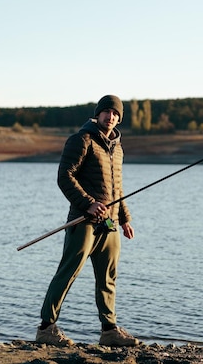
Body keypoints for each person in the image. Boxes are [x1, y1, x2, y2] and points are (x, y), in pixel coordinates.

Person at [35, 95, 138, 347]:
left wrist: (125, 218)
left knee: (108, 278)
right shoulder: (82, 139)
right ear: (98, 113)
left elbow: (117, 188)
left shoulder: (118, 147)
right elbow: (64, 176)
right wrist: (88, 203)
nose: (110, 117)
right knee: (68, 273)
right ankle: (46, 328)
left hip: (110, 224)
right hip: (84, 222)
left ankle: (109, 330)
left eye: (115, 114)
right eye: (107, 112)